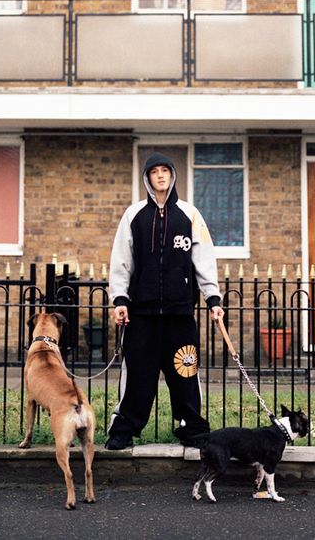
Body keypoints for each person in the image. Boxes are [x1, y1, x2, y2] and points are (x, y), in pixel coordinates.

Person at [106, 151, 225, 449]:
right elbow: (121, 260)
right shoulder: (134, 215)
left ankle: (192, 427)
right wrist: (120, 299)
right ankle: (124, 429)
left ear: (172, 176)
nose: (160, 176)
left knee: (185, 372)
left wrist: (213, 298)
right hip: (141, 314)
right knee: (137, 374)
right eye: (154, 171)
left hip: (180, 314)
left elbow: (204, 258)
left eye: (165, 171)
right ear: (147, 178)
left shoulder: (190, 214)